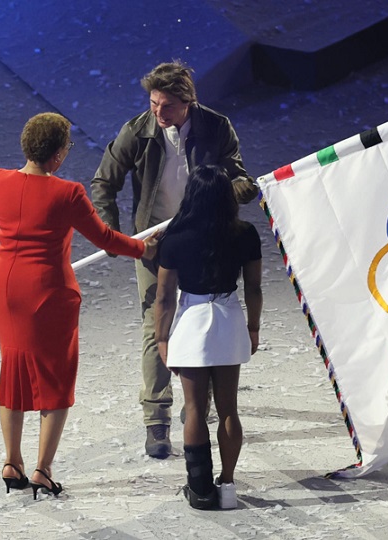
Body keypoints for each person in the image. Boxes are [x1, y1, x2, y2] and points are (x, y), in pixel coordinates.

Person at [91, 60, 258, 458]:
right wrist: (121, 239)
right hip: (154, 243)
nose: (157, 112)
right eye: (153, 103)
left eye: (166, 106)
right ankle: (156, 418)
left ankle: (199, 408)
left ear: (187, 103)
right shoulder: (138, 131)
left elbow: (240, 179)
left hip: (204, 239)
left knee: (207, 321)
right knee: (157, 324)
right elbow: (103, 184)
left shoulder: (216, 127)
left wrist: (218, 198)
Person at [0, 112, 159, 500]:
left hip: (4, 288)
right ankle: (42, 470)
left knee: (13, 371)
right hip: (47, 295)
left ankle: (11, 461)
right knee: (56, 380)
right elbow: (105, 238)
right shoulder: (67, 193)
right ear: (59, 155)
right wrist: (142, 247)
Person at [154, 164, 262, 509]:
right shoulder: (245, 233)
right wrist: (253, 328)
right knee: (229, 409)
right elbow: (255, 287)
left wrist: (161, 338)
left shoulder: (175, 237)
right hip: (228, 318)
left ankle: (200, 489)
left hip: (192, 321)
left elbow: (164, 297)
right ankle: (227, 486)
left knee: (196, 409)